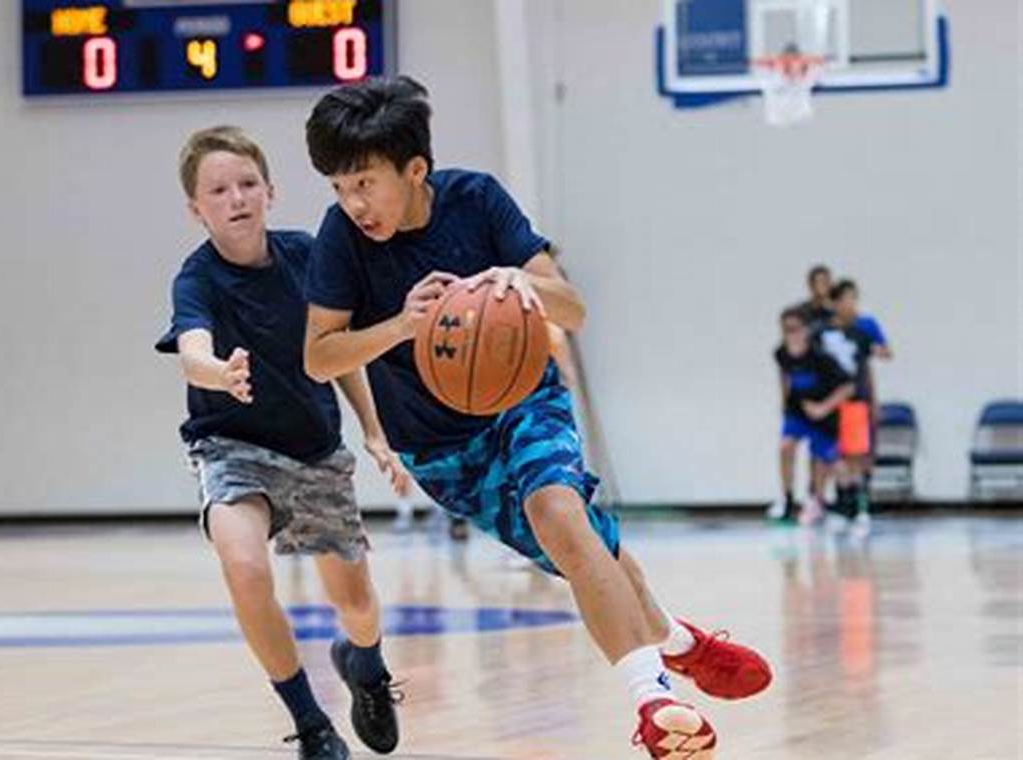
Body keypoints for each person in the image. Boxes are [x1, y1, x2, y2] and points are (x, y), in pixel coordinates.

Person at [301, 76, 771, 759]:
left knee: (561, 516)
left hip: (525, 400)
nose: (353, 202)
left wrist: (529, 286)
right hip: (440, 451)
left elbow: (573, 309)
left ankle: (653, 702)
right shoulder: (342, 240)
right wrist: (401, 326)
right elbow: (318, 357)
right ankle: (680, 641)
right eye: (339, 187)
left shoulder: (478, 201)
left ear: (415, 169)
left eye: (365, 183)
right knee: (590, 554)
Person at [155, 126, 407, 760]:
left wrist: (375, 434)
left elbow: (340, 353)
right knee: (242, 565)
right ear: (196, 209)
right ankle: (312, 724)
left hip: (315, 449)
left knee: (356, 606)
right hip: (230, 445)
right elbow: (192, 354)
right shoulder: (197, 280)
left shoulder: (306, 255)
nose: (235, 198)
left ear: (270, 191)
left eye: (246, 184)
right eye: (218, 190)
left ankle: (366, 667)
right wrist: (221, 373)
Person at [817, 280, 891, 538]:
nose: (851, 304)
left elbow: (877, 360)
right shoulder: (822, 332)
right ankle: (841, 507)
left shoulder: (862, 331)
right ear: (835, 303)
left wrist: (874, 401)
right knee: (835, 459)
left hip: (856, 402)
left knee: (857, 457)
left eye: (854, 299)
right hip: (830, 402)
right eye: (846, 299)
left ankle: (861, 509)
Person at [768, 308, 855, 524]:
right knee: (785, 447)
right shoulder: (781, 353)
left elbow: (847, 387)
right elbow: (785, 375)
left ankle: (838, 503)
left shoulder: (821, 358)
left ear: (805, 331)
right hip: (798, 410)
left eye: (795, 329)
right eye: (785, 330)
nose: (790, 334)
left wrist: (823, 408)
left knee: (827, 460)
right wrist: (784, 400)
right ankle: (788, 499)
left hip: (822, 414)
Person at [797, 264, 835, 333]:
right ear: (811, 285)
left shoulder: (837, 311)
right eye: (821, 281)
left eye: (828, 281)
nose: (826, 285)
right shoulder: (801, 312)